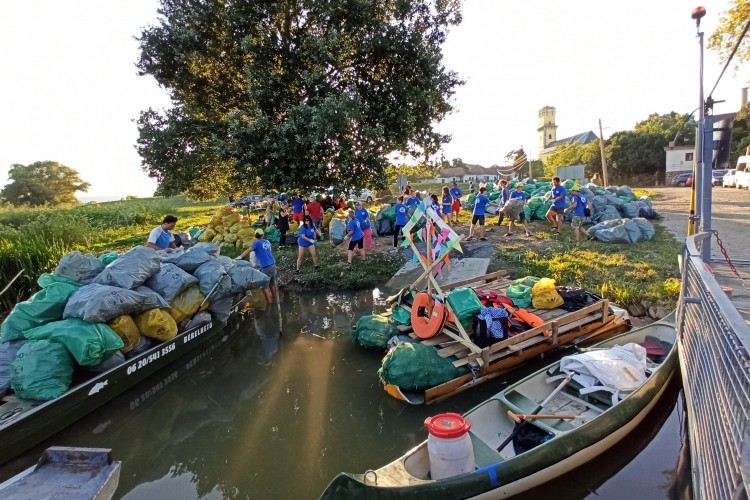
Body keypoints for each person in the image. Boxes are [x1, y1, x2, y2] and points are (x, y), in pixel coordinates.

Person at [237, 229, 278, 303]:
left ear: (255, 236)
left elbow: (248, 250)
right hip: (273, 264)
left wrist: (239, 257)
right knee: (272, 284)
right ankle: (274, 298)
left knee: (264, 287)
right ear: (262, 235)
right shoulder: (267, 242)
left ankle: (270, 304)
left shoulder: (256, 243)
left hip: (266, 266)